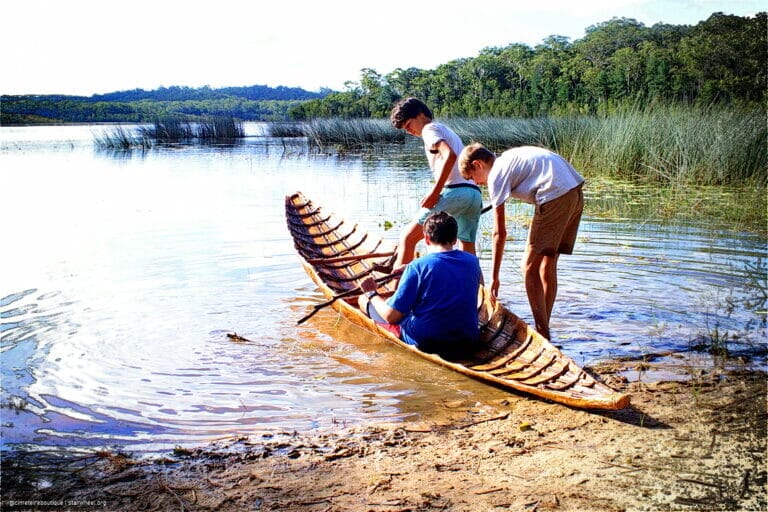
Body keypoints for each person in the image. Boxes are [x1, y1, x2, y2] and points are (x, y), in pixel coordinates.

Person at [458, 143, 585, 340]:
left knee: (528, 267)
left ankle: (543, 332)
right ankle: (545, 326)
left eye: (472, 177)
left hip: (555, 193)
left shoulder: (495, 175)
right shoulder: (508, 158)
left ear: (478, 165)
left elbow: (499, 233)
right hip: (573, 192)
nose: (476, 183)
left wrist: (495, 278)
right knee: (547, 263)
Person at [358, 211, 482, 358]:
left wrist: (371, 292)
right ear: (455, 239)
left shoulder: (417, 267)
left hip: (429, 342)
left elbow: (391, 317)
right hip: (468, 340)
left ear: (426, 238)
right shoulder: (472, 261)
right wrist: (408, 271)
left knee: (363, 300)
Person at [379, 98, 482, 272]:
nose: (410, 131)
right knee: (468, 249)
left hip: (455, 192)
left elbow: (450, 156)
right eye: (406, 130)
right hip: (473, 194)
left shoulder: (429, 129)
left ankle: (397, 291)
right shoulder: (443, 129)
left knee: (408, 237)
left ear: (420, 115)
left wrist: (435, 192)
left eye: (409, 125)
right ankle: (476, 295)